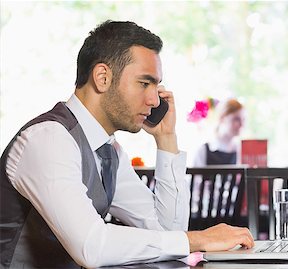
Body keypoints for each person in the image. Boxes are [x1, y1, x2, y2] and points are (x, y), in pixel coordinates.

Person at [0, 20, 253, 269]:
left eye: (156, 86)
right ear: (102, 77)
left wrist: (166, 140)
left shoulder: (109, 151)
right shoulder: (48, 139)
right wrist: (200, 238)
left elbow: (167, 231)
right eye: (145, 83)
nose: (155, 100)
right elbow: (92, 246)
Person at [191, 98, 245, 166]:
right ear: (222, 118)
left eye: (243, 119)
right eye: (236, 119)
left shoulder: (241, 151)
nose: (242, 124)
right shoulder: (204, 151)